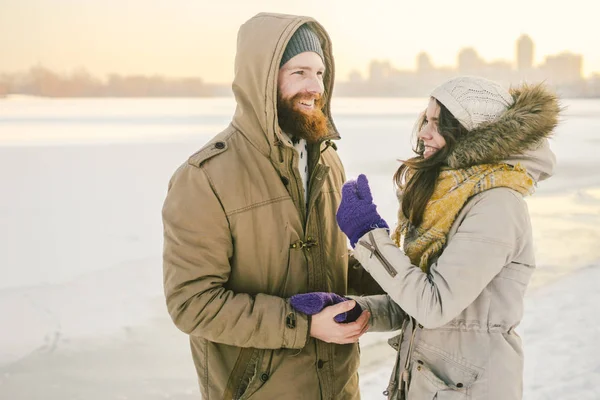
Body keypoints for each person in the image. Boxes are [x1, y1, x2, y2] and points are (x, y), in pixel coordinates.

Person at [162, 13, 373, 400]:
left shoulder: (326, 159)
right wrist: (303, 325)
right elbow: (192, 304)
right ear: (262, 78)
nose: (315, 87)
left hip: (339, 387)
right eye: (299, 72)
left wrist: (394, 268)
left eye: (321, 73)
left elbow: (329, 265)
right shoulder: (205, 177)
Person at [328, 76, 559, 399]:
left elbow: (433, 306)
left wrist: (369, 234)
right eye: (426, 120)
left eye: (437, 123)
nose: (423, 133)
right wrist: (359, 309)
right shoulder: (449, 198)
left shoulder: (497, 205)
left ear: (473, 133)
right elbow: (417, 302)